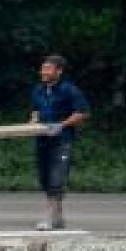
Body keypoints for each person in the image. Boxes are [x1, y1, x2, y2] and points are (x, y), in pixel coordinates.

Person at [29, 54, 89, 230]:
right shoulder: (38, 90)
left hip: (62, 141)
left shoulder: (70, 90)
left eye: (48, 69)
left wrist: (61, 125)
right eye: (43, 68)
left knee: (57, 179)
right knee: (45, 179)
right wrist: (33, 121)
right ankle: (58, 218)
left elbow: (83, 113)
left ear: (59, 71)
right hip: (42, 141)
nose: (43, 72)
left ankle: (49, 217)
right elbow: (35, 111)